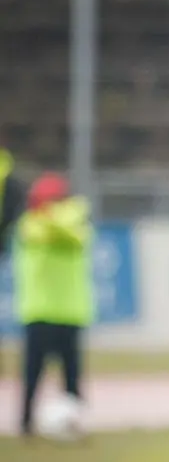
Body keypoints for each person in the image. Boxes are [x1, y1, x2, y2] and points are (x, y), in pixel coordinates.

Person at [15, 174, 93, 439]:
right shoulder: (30, 224)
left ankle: (71, 421)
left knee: (72, 374)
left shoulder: (74, 226)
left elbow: (71, 235)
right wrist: (62, 214)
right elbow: (42, 231)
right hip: (39, 310)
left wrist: (54, 214)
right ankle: (25, 421)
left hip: (70, 310)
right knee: (32, 373)